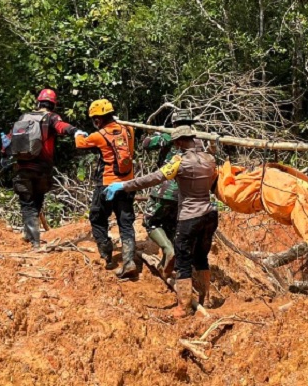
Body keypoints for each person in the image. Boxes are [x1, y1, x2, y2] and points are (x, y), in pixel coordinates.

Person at [105, 125, 218, 318]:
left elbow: (153, 179)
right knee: (201, 257)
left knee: (183, 261)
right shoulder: (209, 159)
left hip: (190, 216)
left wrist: (123, 185)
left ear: (179, 142)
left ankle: (183, 307)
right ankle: (205, 299)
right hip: (210, 214)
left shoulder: (179, 162)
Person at [2, 88, 84, 249]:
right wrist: (75, 131)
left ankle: (32, 239)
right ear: (53, 105)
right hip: (42, 169)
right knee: (37, 199)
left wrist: (4, 155)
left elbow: (9, 139)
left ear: (38, 102)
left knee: (27, 204)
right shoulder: (51, 117)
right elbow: (61, 126)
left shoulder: (24, 117)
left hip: (23, 168)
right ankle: (33, 239)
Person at [75, 99, 137, 278]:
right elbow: (130, 151)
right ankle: (129, 261)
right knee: (126, 223)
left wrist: (78, 134)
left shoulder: (98, 135)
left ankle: (106, 253)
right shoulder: (129, 129)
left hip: (107, 183)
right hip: (127, 183)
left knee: (97, 217)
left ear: (98, 119)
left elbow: (80, 144)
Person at [139, 109, 197, 279]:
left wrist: (156, 133)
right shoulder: (198, 140)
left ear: (174, 124)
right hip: (186, 192)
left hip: (165, 189)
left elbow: (146, 144)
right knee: (172, 226)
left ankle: (168, 249)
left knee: (150, 222)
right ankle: (169, 262)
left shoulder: (168, 136)